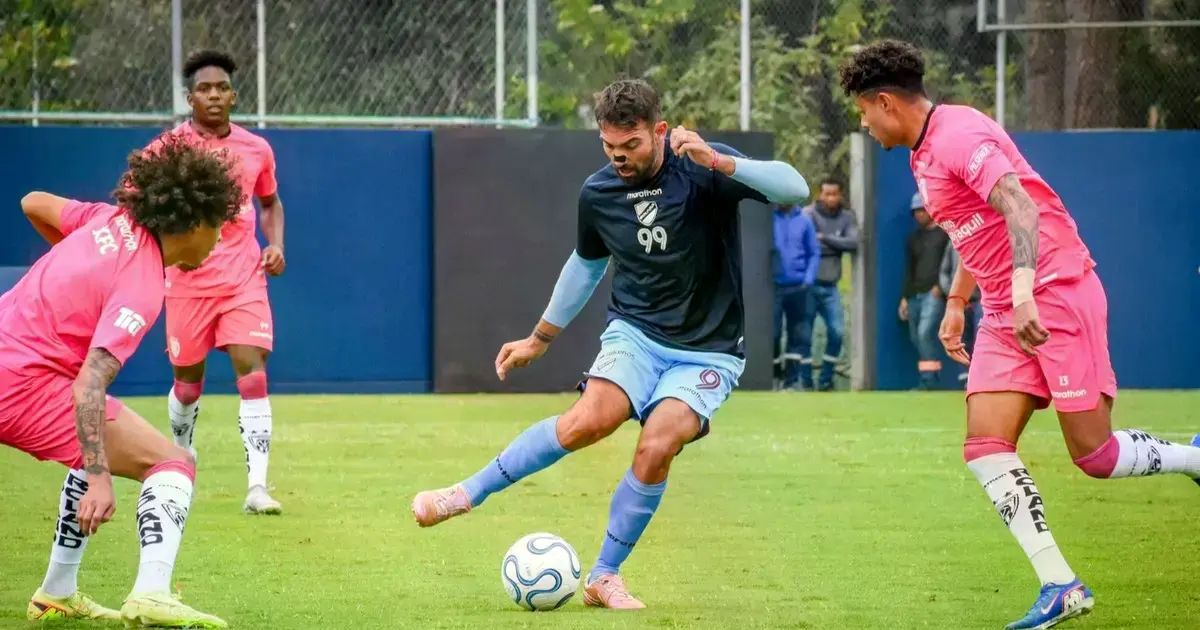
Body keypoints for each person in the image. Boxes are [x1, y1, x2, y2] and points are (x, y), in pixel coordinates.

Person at [840, 39, 1200, 630]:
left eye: (863, 111)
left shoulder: (959, 134)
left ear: (885, 102)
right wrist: (959, 300)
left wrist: (1026, 293)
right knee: (984, 446)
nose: (864, 123)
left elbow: (1021, 210)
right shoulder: (922, 151)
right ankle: (1061, 584)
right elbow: (972, 228)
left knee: (1096, 455)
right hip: (1008, 312)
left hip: (1053, 295)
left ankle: (1191, 457)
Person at [411, 79, 809, 609]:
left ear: (659, 131)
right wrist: (538, 339)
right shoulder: (599, 193)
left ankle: (604, 576)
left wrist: (721, 162)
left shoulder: (703, 166)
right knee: (587, 421)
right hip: (637, 334)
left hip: (710, 349)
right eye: (609, 147)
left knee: (658, 442)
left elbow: (794, 189)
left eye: (631, 146)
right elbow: (585, 267)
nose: (619, 158)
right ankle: (465, 493)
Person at [8, 136, 241, 627]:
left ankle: (57, 592)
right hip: (23, 386)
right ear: (194, 224)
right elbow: (89, 385)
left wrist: (78, 271)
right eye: (218, 226)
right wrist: (99, 477)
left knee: (99, 432)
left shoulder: (106, 220)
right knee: (173, 463)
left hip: (15, 364)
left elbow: (33, 201)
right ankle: (152, 592)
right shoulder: (142, 283)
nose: (220, 240)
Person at [155, 49, 287, 515]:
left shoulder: (256, 149)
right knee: (188, 385)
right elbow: (139, 203)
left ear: (233, 95)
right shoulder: (168, 150)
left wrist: (275, 246)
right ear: (189, 98)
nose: (213, 95)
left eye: (221, 88)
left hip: (243, 279)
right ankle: (182, 454)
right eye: (204, 89)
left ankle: (257, 488)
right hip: (187, 282)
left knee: (252, 374)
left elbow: (270, 203)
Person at [802, 179, 858, 391]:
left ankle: (826, 379)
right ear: (820, 194)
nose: (831, 198)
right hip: (808, 285)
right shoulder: (808, 214)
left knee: (837, 332)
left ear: (840, 195)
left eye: (835, 194)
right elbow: (808, 243)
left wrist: (824, 237)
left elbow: (853, 243)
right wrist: (835, 241)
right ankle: (805, 380)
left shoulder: (847, 217)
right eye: (827, 194)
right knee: (804, 334)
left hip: (831, 286)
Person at [900, 192, 949, 389]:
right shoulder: (913, 239)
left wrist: (941, 287)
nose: (920, 214)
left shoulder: (945, 235)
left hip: (934, 294)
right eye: (916, 211)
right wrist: (905, 297)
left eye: (923, 210)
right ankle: (929, 377)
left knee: (924, 333)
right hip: (914, 295)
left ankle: (929, 381)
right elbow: (909, 269)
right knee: (916, 336)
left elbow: (949, 264)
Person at [772, 202, 819, 390]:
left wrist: (808, 280)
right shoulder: (768, 220)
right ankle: (773, 377)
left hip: (798, 287)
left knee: (796, 335)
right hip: (772, 288)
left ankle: (791, 381)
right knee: (772, 334)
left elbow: (814, 252)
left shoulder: (805, 221)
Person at [938, 240, 982, 384]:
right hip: (958, 300)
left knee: (980, 337)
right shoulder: (952, 244)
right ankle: (964, 375)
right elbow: (944, 271)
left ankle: (980, 376)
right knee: (960, 338)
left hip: (980, 300)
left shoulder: (985, 237)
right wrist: (953, 296)